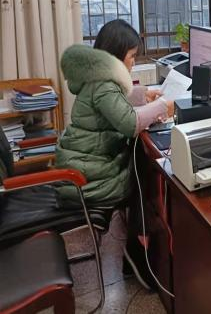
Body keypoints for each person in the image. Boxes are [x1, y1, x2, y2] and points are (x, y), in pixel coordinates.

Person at [55, 19, 174, 289]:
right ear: (117, 56)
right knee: (142, 171)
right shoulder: (104, 84)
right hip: (87, 180)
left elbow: (114, 104)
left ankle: (137, 244)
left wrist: (144, 94)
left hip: (84, 166)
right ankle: (138, 250)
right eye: (132, 56)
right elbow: (129, 123)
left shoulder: (96, 78)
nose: (133, 62)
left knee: (139, 160)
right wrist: (162, 107)